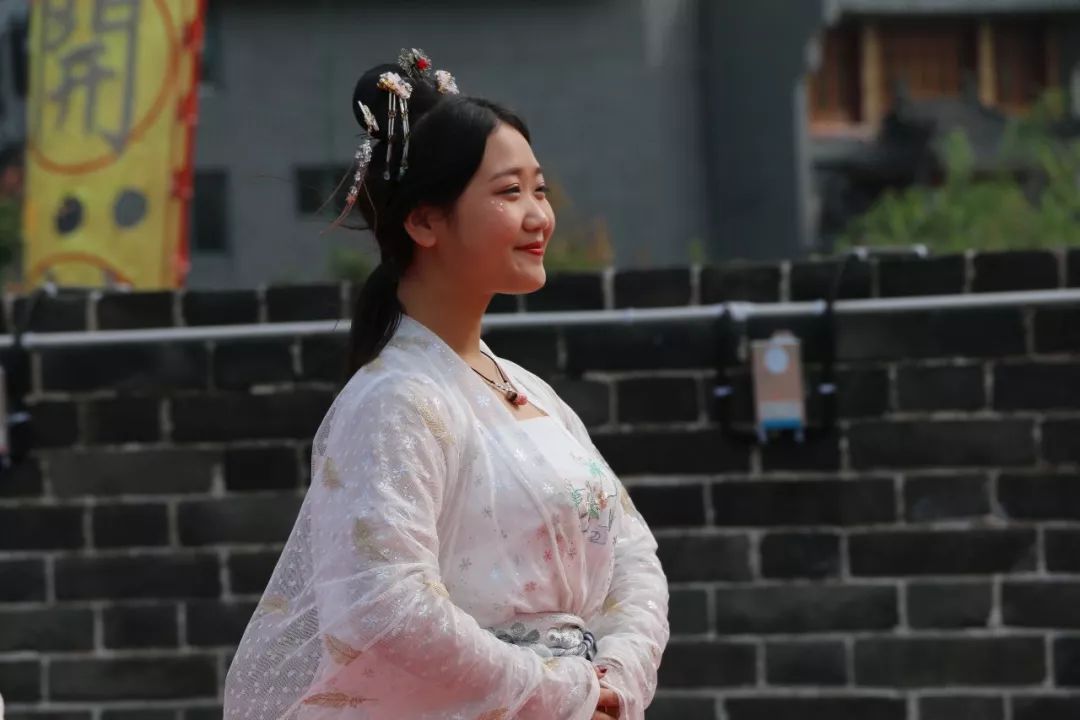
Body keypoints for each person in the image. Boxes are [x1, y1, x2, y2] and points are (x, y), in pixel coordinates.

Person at [223, 49, 668, 720]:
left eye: (540, 189)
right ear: (424, 220)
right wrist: (560, 690)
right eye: (509, 193)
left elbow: (632, 552)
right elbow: (382, 603)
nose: (539, 216)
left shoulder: (530, 391)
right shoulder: (395, 399)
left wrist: (617, 678)